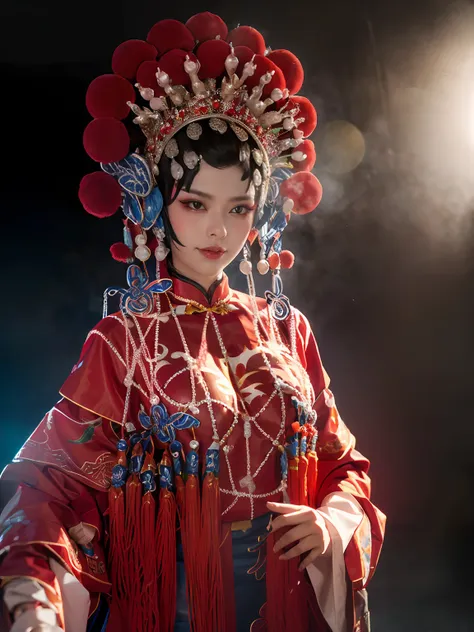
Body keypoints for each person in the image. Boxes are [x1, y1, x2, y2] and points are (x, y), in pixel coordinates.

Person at [0, 11, 386, 632]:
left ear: (261, 214)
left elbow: (345, 465)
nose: (218, 230)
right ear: (153, 200)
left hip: (290, 598)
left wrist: (332, 522)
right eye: (194, 203)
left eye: (239, 208)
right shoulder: (124, 340)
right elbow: (50, 483)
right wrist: (32, 599)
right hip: (175, 601)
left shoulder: (288, 330)